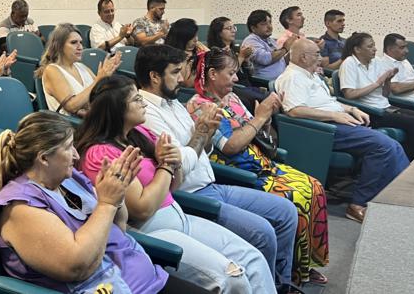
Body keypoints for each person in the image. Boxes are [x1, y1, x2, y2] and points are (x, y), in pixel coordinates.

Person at [77, 76, 277, 293]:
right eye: (136, 99)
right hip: (152, 231)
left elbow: (173, 185)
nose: (143, 102)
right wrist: (166, 166)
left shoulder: (138, 134)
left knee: (253, 260)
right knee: (231, 278)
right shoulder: (101, 154)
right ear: (117, 109)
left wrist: (173, 164)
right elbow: (142, 209)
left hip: (180, 217)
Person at [0, 111, 213, 294]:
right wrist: (106, 204)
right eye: (68, 147)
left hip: (147, 280)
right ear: (43, 158)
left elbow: (119, 228)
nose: (76, 155)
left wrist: (117, 196)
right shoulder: (20, 208)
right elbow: (76, 265)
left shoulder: (69, 180)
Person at [134, 44, 298, 290]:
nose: (182, 79)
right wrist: (201, 134)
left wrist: (208, 133)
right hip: (190, 194)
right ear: (155, 76)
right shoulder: (146, 114)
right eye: (175, 72)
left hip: (211, 183)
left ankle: (279, 284)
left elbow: (202, 151)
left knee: (286, 212)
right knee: (263, 233)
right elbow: (178, 162)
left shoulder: (174, 102)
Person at [188, 48, 329, 285]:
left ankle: (302, 264)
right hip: (240, 172)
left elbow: (255, 131)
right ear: (213, 74)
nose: (236, 78)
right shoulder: (200, 106)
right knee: (296, 196)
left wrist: (265, 118)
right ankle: (289, 273)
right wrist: (260, 117)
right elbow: (230, 146)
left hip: (262, 162)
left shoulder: (232, 99)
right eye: (231, 73)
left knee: (314, 186)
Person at [275, 38, 409, 223]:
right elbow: (294, 111)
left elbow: (329, 102)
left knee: (392, 145)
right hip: (321, 129)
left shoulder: (310, 75)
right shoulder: (292, 77)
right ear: (304, 57)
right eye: (317, 54)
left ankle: (397, 198)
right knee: (383, 146)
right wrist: (334, 115)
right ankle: (358, 204)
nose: (321, 58)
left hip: (336, 121)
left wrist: (351, 109)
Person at [339, 32, 414, 160]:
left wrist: (388, 80)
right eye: (370, 46)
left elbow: (385, 94)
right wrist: (377, 83)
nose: (375, 49)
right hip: (368, 111)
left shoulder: (376, 61)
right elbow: (349, 95)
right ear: (357, 49)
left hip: (385, 106)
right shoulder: (349, 63)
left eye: (374, 45)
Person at [38, 23, 121, 117]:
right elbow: (71, 106)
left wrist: (106, 77)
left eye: (81, 42)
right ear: (59, 46)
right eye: (74, 42)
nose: (80, 47)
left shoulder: (81, 67)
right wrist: (99, 79)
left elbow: (99, 94)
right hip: (70, 124)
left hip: (92, 118)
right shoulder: (52, 70)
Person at [207, 17, 266, 112]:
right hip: (234, 88)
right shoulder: (215, 53)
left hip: (247, 85)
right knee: (265, 100)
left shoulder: (235, 49)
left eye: (234, 27)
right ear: (219, 32)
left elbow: (250, 73)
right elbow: (229, 73)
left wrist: (247, 60)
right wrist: (241, 57)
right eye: (229, 28)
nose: (233, 31)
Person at [241, 10, 290, 81]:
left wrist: (293, 51)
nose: (269, 26)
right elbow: (265, 59)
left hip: (282, 78)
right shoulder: (250, 41)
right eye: (264, 24)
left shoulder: (270, 40)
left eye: (270, 22)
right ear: (253, 28)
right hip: (265, 82)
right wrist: (285, 48)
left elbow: (281, 61)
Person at [164, 18, 208, 88]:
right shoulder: (171, 55)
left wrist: (207, 53)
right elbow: (187, 83)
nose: (196, 39)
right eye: (192, 37)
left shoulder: (198, 47)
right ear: (182, 38)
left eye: (196, 35)